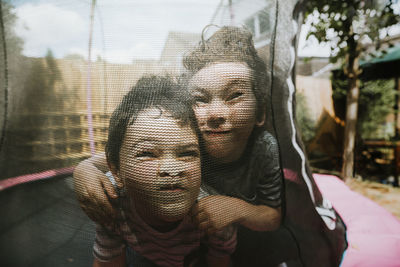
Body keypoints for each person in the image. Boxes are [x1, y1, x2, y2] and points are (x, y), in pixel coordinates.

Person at [74, 26, 283, 266]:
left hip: (235, 237)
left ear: (260, 113)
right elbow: (128, 157)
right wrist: (85, 169)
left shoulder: (265, 149)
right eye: (200, 99)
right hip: (169, 232)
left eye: (235, 95)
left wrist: (237, 209)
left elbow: (273, 215)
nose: (215, 113)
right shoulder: (194, 136)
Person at [87, 76, 236, 267]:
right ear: (116, 169)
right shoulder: (110, 203)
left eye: (187, 153)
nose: (171, 169)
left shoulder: (213, 216)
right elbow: (108, 261)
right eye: (147, 153)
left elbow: (220, 260)